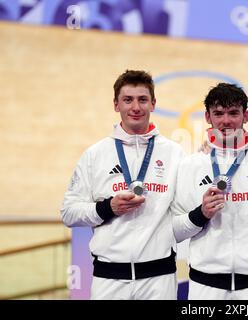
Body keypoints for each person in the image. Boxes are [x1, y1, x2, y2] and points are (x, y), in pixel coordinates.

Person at [61, 70, 184, 300]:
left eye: (142, 99)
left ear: (153, 104)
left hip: (159, 280)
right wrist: (108, 208)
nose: (135, 107)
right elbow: (69, 213)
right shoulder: (95, 155)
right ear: (116, 105)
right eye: (128, 100)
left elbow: (189, 208)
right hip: (109, 280)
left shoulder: (175, 154)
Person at [171, 83, 248, 300]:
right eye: (218, 113)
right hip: (205, 286)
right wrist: (201, 214)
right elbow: (175, 231)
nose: (226, 121)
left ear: (246, 115)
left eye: (233, 113)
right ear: (207, 117)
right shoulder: (189, 166)